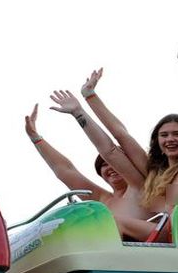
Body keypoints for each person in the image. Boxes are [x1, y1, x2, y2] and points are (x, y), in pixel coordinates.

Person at [80, 36, 178, 212]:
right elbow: (120, 135)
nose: (170, 139)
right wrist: (90, 97)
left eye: (177, 134)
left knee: (119, 222)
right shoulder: (161, 176)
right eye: (164, 135)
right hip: (175, 235)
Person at [24, 103, 154, 240]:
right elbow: (65, 171)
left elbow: (110, 150)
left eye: (113, 164)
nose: (110, 167)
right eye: (103, 165)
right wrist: (36, 138)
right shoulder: (103, 200)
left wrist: (78, 112)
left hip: (154, 247)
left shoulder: (141, 185)